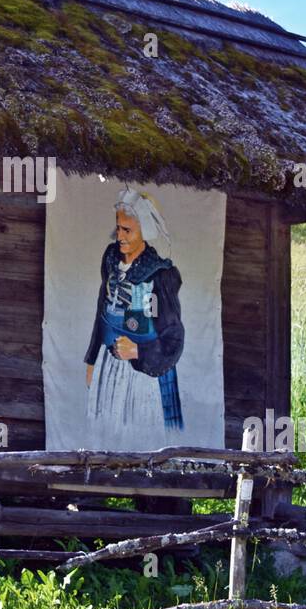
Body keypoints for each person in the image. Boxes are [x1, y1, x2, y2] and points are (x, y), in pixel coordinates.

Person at [84, 188, 185, 447]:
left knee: (142, 446)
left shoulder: (161, 274)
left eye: (127, 230)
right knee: (106, 443)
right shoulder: (110, 260)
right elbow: (102, 310)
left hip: (144, 375)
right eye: (118, 228)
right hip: (110, 366)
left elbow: (173, 339)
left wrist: (139, 351)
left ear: (145, 231)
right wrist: (92, 359)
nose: (119, 236)